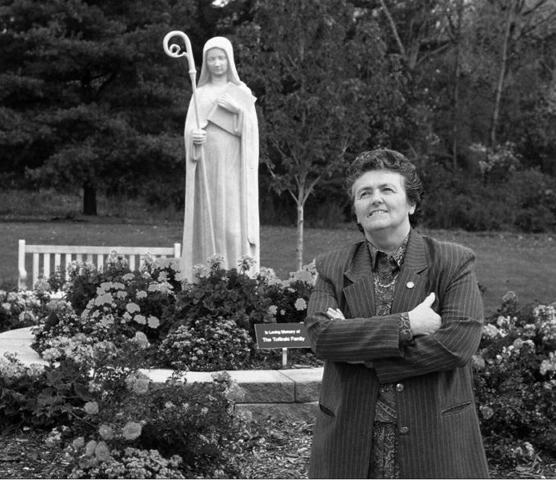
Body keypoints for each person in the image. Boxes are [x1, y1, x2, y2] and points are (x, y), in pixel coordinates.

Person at [305, 149, 489, 478]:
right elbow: (322, 336)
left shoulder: (452, 262)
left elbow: (457, 344)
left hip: (433, 442)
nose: (375, 199)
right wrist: (407, 325)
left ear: (411, 203)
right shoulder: (333, 266)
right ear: (357, 212)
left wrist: (364, 354)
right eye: (365, 193)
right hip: (351, 443)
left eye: (387, 190)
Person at [180, 36, 260, 281]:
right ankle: (209, 276)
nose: (217, 63)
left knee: (233, 227)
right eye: (212, 59)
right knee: (211, 220)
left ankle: (240, 277)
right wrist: (194, 137)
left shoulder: (240, 92)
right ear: (205, 63)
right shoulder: (200, 93)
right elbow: (190, 129)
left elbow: (251, 131)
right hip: (209, 164)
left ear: (229, 60)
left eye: (221, 58)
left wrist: (238, 111)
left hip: (234, 166)